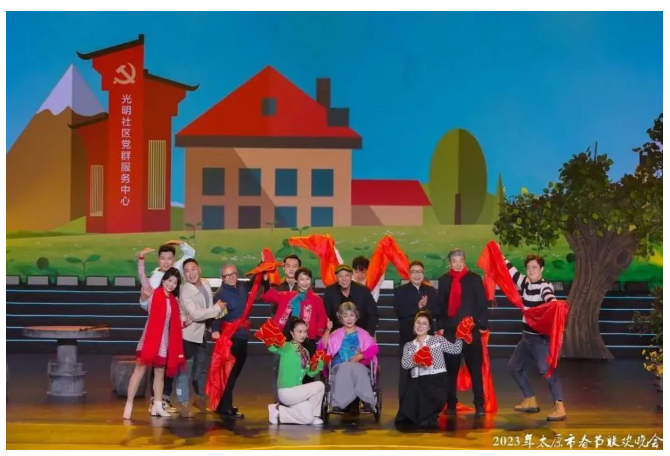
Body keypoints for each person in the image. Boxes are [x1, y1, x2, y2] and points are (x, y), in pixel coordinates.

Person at [503, 252, 566, 421]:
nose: (531, 271)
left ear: (541, 269)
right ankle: (530, 399)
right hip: (526, 338)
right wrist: (500, 255)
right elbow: (511, 271)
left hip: (539, 340)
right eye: (528, 268)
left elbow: (549, 297)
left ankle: (560, 406)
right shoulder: (525, 283)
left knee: (546, 370)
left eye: (534, 268)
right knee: (513, 367)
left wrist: (553, 304)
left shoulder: (544, 286)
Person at [137, 241, 194, 414]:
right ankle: (155, 400)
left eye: (170, 258)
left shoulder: (176, 271)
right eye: (163, 258)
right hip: (158, 326)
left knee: (171, 362)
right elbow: (145, 305)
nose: (166, 261)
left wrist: (180, 243)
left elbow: (190, 254)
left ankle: (165, 398)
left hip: (174, 324)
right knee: (157, 363)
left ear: (174, 260)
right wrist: (143, 298)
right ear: (158, 260)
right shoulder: (154, 278)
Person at [123, 268, 185, 420]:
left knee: (159, 373)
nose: (171, 284)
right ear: (163, 280)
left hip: (164, 339)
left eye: (175, 282)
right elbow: (142, 277)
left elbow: (175, 323)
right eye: (169, 280)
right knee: (140, 369)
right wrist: (141, 260)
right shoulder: (153, 294)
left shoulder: (174, 300)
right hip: (150, 337)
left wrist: (185, 323)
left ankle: (157, 405)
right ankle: (129, 404)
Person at [436, 248, 490, 416]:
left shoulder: (474, 279)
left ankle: (479, 404)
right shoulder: (444, 280)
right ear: (450, 263)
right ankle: (451, 404)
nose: (458, 265)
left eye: (460, 261)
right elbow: (440, 305)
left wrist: (482, 324)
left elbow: (482, 303)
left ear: (464, 261)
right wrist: (440, 325)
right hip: (450, 331)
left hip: (471, 331)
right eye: (454, 262)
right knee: (450, 371)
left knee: (475, 370)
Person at [175, 259, 227, 417]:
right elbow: (195, 314)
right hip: (188, 336)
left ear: (199, 269)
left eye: (193, 269)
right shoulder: (185, 290)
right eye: (187, 271)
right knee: (185, 371)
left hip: (201, 335)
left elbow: (208, 308)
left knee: (201, 370)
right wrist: (217, 308)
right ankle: (183, 404)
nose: (191, 273)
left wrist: (213, 325)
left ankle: (200, 400)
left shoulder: (205, 284)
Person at [395, 311, 465, 428]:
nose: (420, 326)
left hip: (436, 381)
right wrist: (417, 360)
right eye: (418, 322)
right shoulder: (409, 345)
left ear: (429, 327)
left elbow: (455, 350)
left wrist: (460, 336)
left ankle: (429, 413)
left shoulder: (437, 340)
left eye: (424, 323)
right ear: (414, 325)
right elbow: (405, 364)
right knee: (407, 415)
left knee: (424, 416)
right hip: (418, 382)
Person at [210, 263, 256, 419]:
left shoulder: (242, 287)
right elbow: (217, 315)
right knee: (229, 373)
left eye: (233, 274)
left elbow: (254, 282)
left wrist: (263, 266)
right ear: (222, 278)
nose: (231, 277)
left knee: (234, 373)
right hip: (230, 338)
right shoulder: (221, 294)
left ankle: (223, 404)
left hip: (242, 335)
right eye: (227, 275)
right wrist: (215, 330)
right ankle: (225, 407)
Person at [318, 302, 379, 413]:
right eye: (345, 316)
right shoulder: (336, 333)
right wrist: (327, 330)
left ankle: (366, 401)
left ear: (356, 317)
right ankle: (341, 402)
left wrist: (360, 356)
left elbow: (374, 348)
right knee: (345, 367)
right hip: (339, 366)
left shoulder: (363, 333)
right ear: (341, 318)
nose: (349, 319)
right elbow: (323, 347)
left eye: (352, 315)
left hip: (358, 365)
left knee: (359, 369)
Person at [393, 260, 441, 397]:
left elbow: (437, 310)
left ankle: (426, 405)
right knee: (406, 374)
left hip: (427, 341)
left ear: (423, 274)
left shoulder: (431, 291)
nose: (417, 275)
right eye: (414, 272)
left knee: (427, 374)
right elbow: (400, 312)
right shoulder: (400, 291)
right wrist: (417, 307)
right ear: (409, 274)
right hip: (408, 339)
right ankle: (405, 405)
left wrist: (425, 309)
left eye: (419, 272)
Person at [267, 318, 326, 425]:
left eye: (305, 332)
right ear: (291, 333)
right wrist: (275, 337)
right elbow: (271, 347)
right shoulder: (286, 346)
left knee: (307, 419)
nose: (303, 335)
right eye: (299, 332)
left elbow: (309, 373)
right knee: (320, 385)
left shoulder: (305, 352)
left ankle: (278, 410)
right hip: (287, 391)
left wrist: (319, 365)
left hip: (297, 392)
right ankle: (315, 415)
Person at [323, 264, 378, 336]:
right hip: (337, 335)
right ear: (336, 277)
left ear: (351, 276)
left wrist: (369, 335)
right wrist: (329, 333)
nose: (344, 279)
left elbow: (373, 314)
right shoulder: (330, 292)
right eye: (341, 276)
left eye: (347, 275)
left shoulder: (363, 291)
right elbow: (326, 315)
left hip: (361, 334)